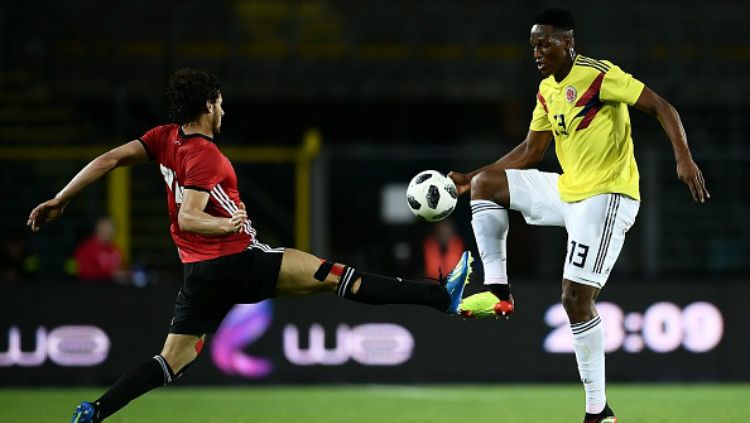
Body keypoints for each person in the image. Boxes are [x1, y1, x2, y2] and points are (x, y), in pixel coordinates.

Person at [26, 68, 472, 423]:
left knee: (171, 361)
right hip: (238, 259)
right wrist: (227, 226)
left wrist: (61, 199)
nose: (224, 109)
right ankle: (438, 296)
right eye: (219, 102)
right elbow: (189, 216)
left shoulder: (164, 138)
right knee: (336, 276)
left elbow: (109, 159)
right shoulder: (206, 155)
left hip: (199, 276)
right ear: (207, 105)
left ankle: (96, 411)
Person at [449, 8, 709, 423]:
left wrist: (684, 159)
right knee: (488, 187)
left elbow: (662, 106)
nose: (537, 52)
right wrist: (470, 178)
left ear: (568, 43)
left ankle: (598, 412)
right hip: (569, 190)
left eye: (545, 43)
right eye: (533, 44)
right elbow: (530, 152)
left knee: (575, 299)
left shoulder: (599, 75)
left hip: (608, 197)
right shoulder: (546, 91)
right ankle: (498, 290)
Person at [73, 216, 124, 283]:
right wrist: (108, 274)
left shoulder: (116, 251)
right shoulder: (87, 249)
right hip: (91, 289)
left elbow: (121, 270)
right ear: (97, 229)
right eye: (105, 229)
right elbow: (83, 273)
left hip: (113, 290)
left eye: (110, 229)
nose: (108, 231)